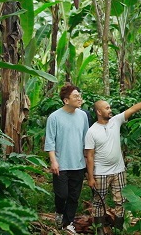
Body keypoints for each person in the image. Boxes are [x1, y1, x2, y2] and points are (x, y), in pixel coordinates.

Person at [85, 91, 141, 233]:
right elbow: (89, 156)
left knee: (121, 200)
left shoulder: (116, 121)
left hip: (119, 171)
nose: (110, 110)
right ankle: (100, 230)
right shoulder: (92, 131)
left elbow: (134, 108)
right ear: (98, 111)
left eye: (110, 108)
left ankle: (119, 228)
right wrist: (90, 177)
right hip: (101, 173)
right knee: (98, 202)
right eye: (107, 108)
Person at [44, 84, 90, 234]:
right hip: (61, 163)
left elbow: (86, 139)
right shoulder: (54, 117)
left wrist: (88, 162)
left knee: (74, 196)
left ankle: (67, 223)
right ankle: (59, 212)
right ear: (66, 100)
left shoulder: (83, 115)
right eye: (76, 96)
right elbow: (50, 141)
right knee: (62, 194)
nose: (80, 99)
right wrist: (53, 161)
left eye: (79, 95)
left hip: (78, 163)